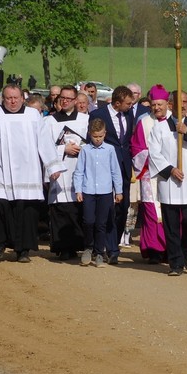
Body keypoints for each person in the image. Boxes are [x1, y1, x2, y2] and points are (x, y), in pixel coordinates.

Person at [0, 84, 60, 263]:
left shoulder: (33, 115)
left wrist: (52, 166)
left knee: (25, 212)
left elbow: (45, 142)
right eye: (9, 98)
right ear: (3, 98)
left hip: (28, 172)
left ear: (22, 98)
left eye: (16, 98)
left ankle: (23, 250)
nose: (12, 101)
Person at [145, 89, 187, 275]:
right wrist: (170, 169)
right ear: (170, 105)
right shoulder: (159, 127)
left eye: (185, 102)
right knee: (171, 225)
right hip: (171, 182)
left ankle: (186, 251)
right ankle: (175, 262)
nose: (183, 105)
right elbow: (154, 153)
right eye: (178, 102)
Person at [74, 118, 124, 267]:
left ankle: (99, 252)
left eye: (100, 136)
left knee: (102, 223)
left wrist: (119, 191)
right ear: (90, 134)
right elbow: (79, 171)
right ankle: (88, 248)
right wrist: (78, 189)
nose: (97, 139)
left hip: (105, 192)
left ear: (105, 134)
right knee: (88, 221)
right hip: (88, 190)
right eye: (95, 136)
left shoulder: (109, 149)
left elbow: (115, 171)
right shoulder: (85, 150)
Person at [46, 85, 89, 260]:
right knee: (61, 208)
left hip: (79, 169)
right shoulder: (49, 121)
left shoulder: (85, 120)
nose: (65, 101)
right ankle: (62, 246)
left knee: (77, 209)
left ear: (76, 101)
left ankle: (78, 245)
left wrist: (81, 148)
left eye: (69, 99)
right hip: (60, 171)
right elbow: (44, 147)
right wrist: (64, 148)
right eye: (62, 98)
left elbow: (93, 142)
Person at [130, 84, 172, 263]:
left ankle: (170, 250)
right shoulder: (143, 121)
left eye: (160, 104)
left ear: (167, 104)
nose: (157, 108)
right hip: (150, 173)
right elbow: (136, 147)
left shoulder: (175, 121)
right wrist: (153, 157)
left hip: (171, 173)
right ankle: (154, 249)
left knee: (171, 211)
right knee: (151, 212)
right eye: (154, 104)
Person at [95, 84, 136, 263]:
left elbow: (126, 142)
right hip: (104, 167)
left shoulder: (129, 115)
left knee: (123, 207)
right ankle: (108, 247)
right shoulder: (98, 115)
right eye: (128, 103)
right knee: (106, 208)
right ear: (117, 103)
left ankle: (114, 243)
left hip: (124, 167)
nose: (130, 106)